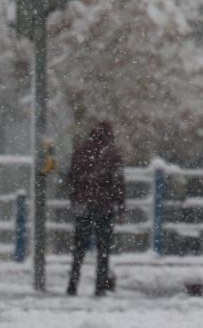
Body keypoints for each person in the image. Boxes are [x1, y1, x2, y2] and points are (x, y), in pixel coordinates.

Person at [65, 120, 125, 297]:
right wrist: (120, 207)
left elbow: (71, 178)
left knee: (79, 248)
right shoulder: (113, 155)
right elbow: (119, 184)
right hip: (104, 207)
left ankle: (72, 284)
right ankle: (100, 286)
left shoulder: (81, 152)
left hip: (83, 205)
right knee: (103, 249)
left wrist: (78, 197)